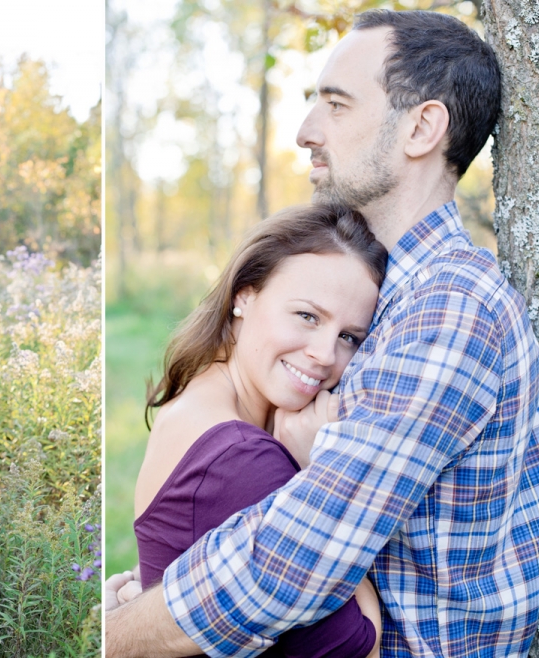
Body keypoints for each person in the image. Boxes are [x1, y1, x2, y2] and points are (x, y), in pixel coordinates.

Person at [105, 9, 539, 657]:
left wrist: (119, 634)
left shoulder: (450, 306)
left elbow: (293, 561)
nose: (305, 132)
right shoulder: (393, 290)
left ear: (422, 127)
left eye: (336, 105)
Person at [133, 205, 386, 657]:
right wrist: (316, 473)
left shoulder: (199, 399)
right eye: (308, 316)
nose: (326, 354)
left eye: (350, 336)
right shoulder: (238, 457)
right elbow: (359, 645)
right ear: (244, 295)